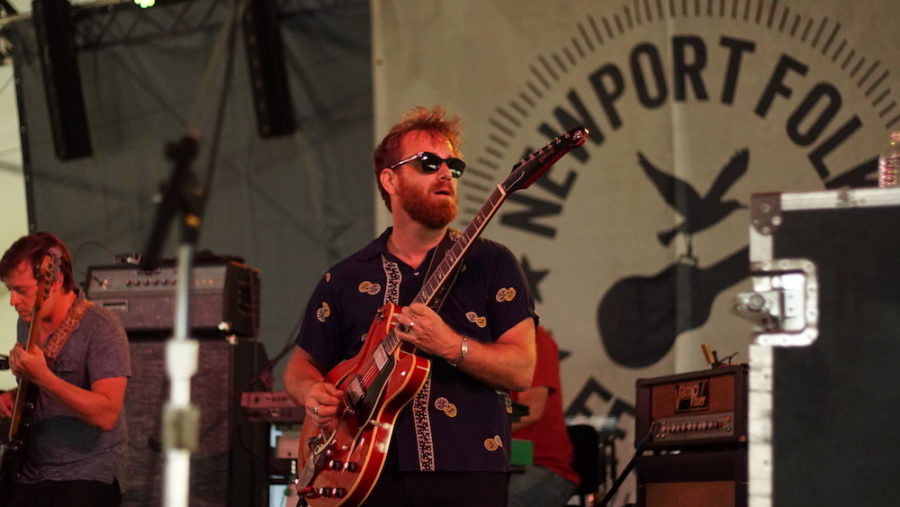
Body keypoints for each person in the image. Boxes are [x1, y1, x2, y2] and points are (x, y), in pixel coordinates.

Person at [284, 106, 537, 506]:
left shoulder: (493, 263)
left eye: (453, 166)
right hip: (362, 472)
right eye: (428, 163)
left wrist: (452, 346)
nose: (444, 174)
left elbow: (522, 369)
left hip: (467, 468)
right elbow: (300, 365)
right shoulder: (346, 277)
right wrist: (312, 392)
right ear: (390, 179)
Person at [0, 232, 130, 507]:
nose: (12, 301)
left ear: (54, 281)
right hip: (31, 468)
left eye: (21, 290)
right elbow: (40, 392)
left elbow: (107, 413)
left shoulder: (101, 327)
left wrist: (44, 377)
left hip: (86, 470)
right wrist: (14, 395)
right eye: (9, 290)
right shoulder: (27, 322)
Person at [509, 325, 579, 507]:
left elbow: (531, 409)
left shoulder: (532, 336)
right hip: (502, 465)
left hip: (542, 466)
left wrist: (473, 436)